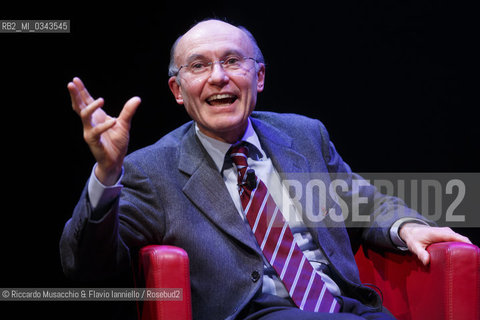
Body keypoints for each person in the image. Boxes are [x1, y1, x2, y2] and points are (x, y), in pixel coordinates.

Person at [60, 19, 471, 320]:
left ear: (258, 78)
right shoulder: (152, 170)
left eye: (233, 62)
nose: (218, 78)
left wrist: (405, 227)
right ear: (178, 91)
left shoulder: (305, 135)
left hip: (347, 307)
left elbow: (365, 202)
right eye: (199, 66)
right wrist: (107, 175)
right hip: (252, 313)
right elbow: (85, 267)